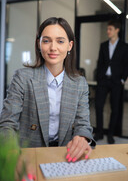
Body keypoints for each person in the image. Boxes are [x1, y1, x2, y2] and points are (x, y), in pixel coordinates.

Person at [0, 17, 96, 163]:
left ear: (70, 46)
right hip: (27, 155)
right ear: (39, 44)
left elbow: (83, 124)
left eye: (60, 41)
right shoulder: (22, 78)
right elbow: (7, 123)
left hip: (65, 155)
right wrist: (12, 151)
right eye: (46, 41)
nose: (53, 47)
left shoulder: (79, 83)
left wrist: (82, 138)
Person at [94, 20, 128, 144]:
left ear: (117, 30)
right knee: (98, 106)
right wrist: (99, 77)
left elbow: (127, 64)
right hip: (103, 80)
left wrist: (122, 79)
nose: (107, 31)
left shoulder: (124, 46)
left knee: (115, 109)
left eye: (110, 29)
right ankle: (99, 132)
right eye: (107, 29)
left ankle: (110, 134)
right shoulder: (103, 45)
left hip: (116, 81)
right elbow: (99, 62)